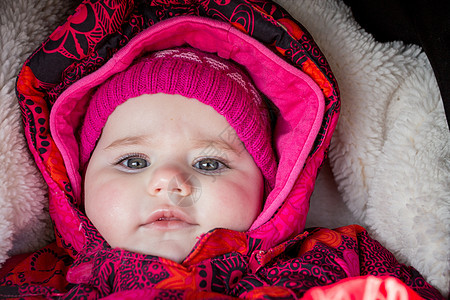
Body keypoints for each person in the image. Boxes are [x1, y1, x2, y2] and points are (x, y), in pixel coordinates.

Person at [0, 1, 444, 299]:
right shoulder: (32, 283)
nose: (168, 180)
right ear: (75, 186)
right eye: (133, 161)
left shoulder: (337, 264)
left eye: (210, 163)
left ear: (271, 190)